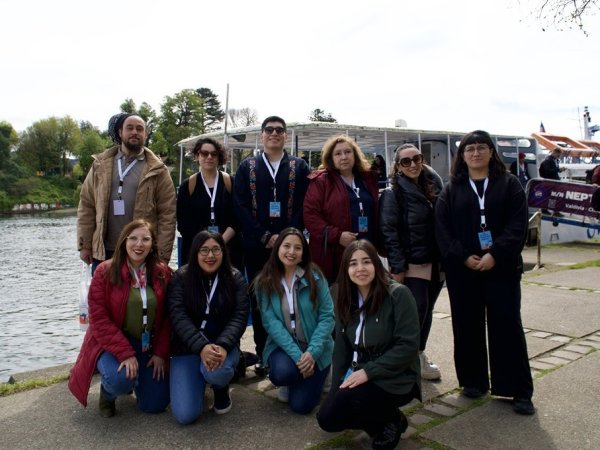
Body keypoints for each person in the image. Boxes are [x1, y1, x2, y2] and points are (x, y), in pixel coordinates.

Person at [434, 130, 535, 415]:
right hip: (463, 271)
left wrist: (495, 254)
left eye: (481, 147)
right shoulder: (451, 189)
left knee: (507, 326)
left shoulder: (510, 184)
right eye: (470, 149)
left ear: (491, 152)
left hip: (501, 268)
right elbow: (442, 229)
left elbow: (517, 225)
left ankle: (516, 389)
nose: (475, 153)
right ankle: (473, 381)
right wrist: (463, 257)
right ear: (462, 156)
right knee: (467, 325)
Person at [317, 240, 420, 450]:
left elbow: (407, 346)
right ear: (346, 270)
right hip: (362, 372)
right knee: (327, 419)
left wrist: (368, 372)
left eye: (366, 262)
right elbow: (341, 351)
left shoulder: (398, 295)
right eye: (353, 264)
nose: (360, 268)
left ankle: (389, 422)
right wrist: (336, 390)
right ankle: (389, 417)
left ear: (376, 263)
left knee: (352, 399)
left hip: (397, 374)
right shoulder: (344, 297)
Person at [69, 219, 172, 417]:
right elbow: (98, 319)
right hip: (111, 345)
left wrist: (160, 352)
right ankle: (108, 393)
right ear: (124, 241)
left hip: (147, 345)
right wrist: (125, 353)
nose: (139, 244)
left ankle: (138, 378)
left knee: (156, 405)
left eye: (145, 239)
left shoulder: (162, 272)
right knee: (120, 381)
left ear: (152, 244)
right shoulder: (104, 271)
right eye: (133, 238)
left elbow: (168, 317)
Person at [233, 116, 310, 375]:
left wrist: (287, 237)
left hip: (291, 248)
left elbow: (305, 203)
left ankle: (295, 350)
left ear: (286, 135)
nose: (274, 133)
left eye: (279, 130)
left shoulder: (299, 166)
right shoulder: (247, 166)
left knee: (292, 297)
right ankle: (264, 354)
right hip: (257, 247)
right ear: (262, 135)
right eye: (269, 130)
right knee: (260, 300)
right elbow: (240, 206)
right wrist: (265, 236)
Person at [167, 230, 248, 424]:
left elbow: (239, 317)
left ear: (223, 252)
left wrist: (223, 345)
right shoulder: (181, 277)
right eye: (204, 250)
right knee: (185, 415)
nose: (210, 256)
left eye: (215, 250)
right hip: (187, 349)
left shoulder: (235, 278)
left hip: (221, 346)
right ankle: (197, 380)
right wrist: (201, 347)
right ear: (195, 252)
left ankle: (221, 388)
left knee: (217, 373)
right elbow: (178, 316)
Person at [77, 113, 176, 271]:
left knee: (140, 289)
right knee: (102, 287)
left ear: (146, 134)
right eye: (129, 128)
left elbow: (167, 215)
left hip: (141, 251)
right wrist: (85, 244)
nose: (134, 132)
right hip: (105, 251)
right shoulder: (100, 165)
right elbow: (87, 206)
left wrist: (162, 255)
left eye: (139, 129)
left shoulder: (158, 170)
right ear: (120, 132)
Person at [379, 144, 444, 381]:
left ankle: (418, 354)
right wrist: (397, 266)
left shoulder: (433, 186)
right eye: (406, 161)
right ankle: (403, 359)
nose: (413, 164)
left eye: (417, 158)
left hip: (435, 261)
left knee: (427, 311)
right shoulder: (393, 194)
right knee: (416, 310)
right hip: (412, 263)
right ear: (398, 166)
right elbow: (389, 231)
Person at [253, 227, 334, 414]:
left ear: (303, 252)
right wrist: (299, 357)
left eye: (298, 248)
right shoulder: (264, 282)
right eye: (286, 246)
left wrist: (312, 353)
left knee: (300, 406)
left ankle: (322, 373)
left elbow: (328, 317)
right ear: (277, 248)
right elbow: (271, 323)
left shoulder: (315, 277)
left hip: (315, 347)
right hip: (285, 347)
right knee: (281, 373)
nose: (291, 252)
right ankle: (295, 378)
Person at [304, 135, 379, 283]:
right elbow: (310, 216)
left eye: (348, 152)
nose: (344, 157)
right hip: (334, 254)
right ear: (331, 158)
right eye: (338, 153)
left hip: (366, 249)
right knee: (338, 293)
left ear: (355, 154)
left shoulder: (367, 179)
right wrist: (337, 236)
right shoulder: (321, 181)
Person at [176, 138, 236, 265]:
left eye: (214, 154)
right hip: (196, 251)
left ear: (219, 157)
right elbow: (183, 223)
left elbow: (237, 219)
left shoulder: (230, 182)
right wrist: (205, 245)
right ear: (197, 156)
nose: (209, 157)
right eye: (204, 153)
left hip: (227, 250)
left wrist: (219, 243)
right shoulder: (188, 186)